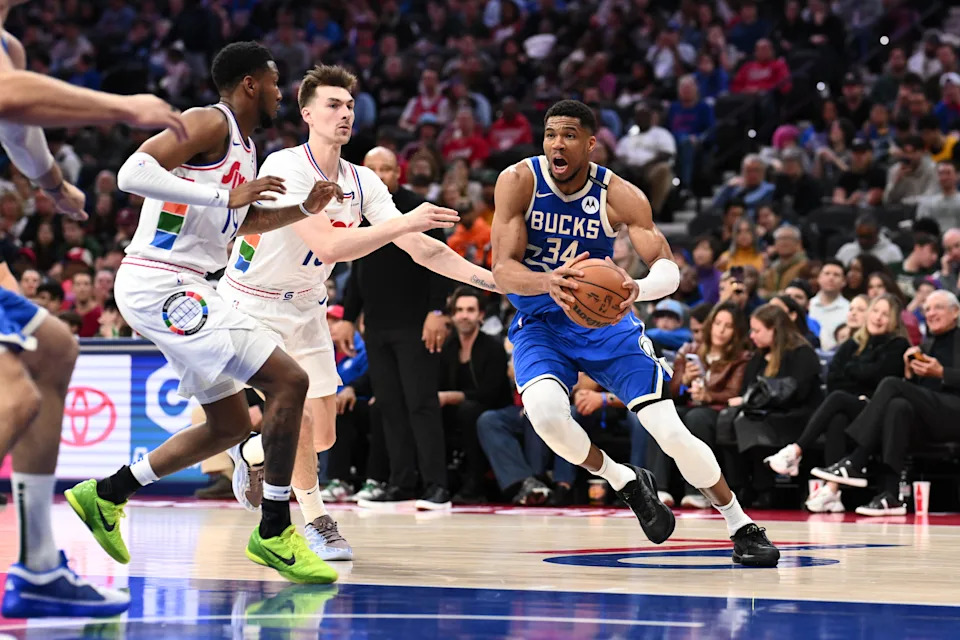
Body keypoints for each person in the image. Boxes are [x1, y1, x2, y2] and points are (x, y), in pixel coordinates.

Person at [63, 42, 346, 585]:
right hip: (159, 279)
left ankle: (105, 495)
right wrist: (225, 194)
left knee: (231, 424)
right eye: (274, 80)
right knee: (289, 381)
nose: (279, 91)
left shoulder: (244, 150)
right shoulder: (207, 121)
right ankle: (275, 531)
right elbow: (131, 172)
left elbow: (241, 221)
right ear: (248, 84)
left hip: (186, 283)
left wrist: (299, 210)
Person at [215, 64, 496, 555]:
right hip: (251, 305)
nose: (344, 114)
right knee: (296, 413)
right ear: (306, 113)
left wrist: (496, 282)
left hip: (305, 307)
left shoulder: (362, 180)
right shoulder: (284, 167)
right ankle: (318, 521)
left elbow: (422, 249)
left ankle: (253, 450)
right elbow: (328, 247)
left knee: (322, 436)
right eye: (332, 105)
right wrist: (402, 224)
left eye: (349, 106)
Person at [490, 100, 779, 566]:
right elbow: (503, 270)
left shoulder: (620, 194)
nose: (556, 144)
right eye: (549, 134)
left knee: (669, 429)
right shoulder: (519, 181)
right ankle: (625, 480)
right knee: (543, 414)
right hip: (542, 321)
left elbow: (668, 266)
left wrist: (637, 288)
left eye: (567, 135)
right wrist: (551, 282)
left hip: (606, 324)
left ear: (590, 143)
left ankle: (739, 522)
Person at [0, 0, 188, 618]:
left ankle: (38, 568)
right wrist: (122, 106)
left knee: (54, 348)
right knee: (14, 399)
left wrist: (52, 185)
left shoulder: (11, 47)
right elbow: (8, 96)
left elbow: (17, 127)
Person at [812, 290, 960, 516]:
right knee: (896, 407)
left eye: (937, 307)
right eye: (927, 309)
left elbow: (940, 381)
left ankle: (855, 461)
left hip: (954, 412)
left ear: (955, 311)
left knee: (891, 384)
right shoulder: (927, 344)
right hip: (931, 416)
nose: (930, 313)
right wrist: (911, 377)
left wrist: (943, 373)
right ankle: (892, 496)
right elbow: (923, 391)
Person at [765, 294, 908, 512]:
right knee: (837, 417)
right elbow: (834, 378)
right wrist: (860, 378)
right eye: (876, 311)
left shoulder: (898, 345)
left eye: (885, 314)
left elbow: (882, 376)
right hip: (854, 407)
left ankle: (796, 451)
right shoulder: (853, 343)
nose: (878, 318)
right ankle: (832, 492)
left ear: (895, 321)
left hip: (879, 411)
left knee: (838, 399)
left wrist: (855, 373)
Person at [653, 302, 751, 508]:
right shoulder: (690, 349)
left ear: (737, 331)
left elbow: (734, 392)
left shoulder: (741, 357)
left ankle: (698, 491)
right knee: (662, 416)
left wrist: (709, 396)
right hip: (689, 406)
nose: (721, 330)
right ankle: (659, 487)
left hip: (718, 411)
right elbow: (672, 391)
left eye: (728, 326)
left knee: (696, 417)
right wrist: (685, 380)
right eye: (717, 323)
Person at [724, 305, 822, 508]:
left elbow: (798, 393)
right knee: (726, 419)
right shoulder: (759, 356)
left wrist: (755, 400)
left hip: (798, 415)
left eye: (757, 330)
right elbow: (747, 389)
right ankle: (737, 485)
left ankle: (763, 489)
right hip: (768, 411)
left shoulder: (803, 353)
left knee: (749, 423)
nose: (752, 336)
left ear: (774, 330)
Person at [437, 287, 513, 501]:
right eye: (459, 310)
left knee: (469, 412)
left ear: (480, 315)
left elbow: (490, 393)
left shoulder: (493, 347)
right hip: (457, 409)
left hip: (492, 407)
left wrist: (452, 396)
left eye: (470, 310)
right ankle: (435, 482)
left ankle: (475, 485)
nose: (464, 315)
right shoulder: (448, 346)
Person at [808, 259, 850, 350]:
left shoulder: (850, 309)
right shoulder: (808, 306)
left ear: (844, 282)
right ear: (819, 278)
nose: (831, 278)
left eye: (836, 275)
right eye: (827, 273)